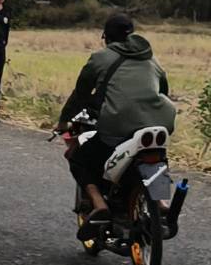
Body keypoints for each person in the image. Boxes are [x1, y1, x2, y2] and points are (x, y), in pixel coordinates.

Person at [57, 13, 176, 235]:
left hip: (118, 126)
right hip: (159, 122)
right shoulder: (151, 58)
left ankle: (99, 204)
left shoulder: (100, 58)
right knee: (156, 155)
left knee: (79, 157)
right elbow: (163, 89)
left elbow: (81, 94)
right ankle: (161, 202)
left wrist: (63, 121)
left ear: (106, 37)